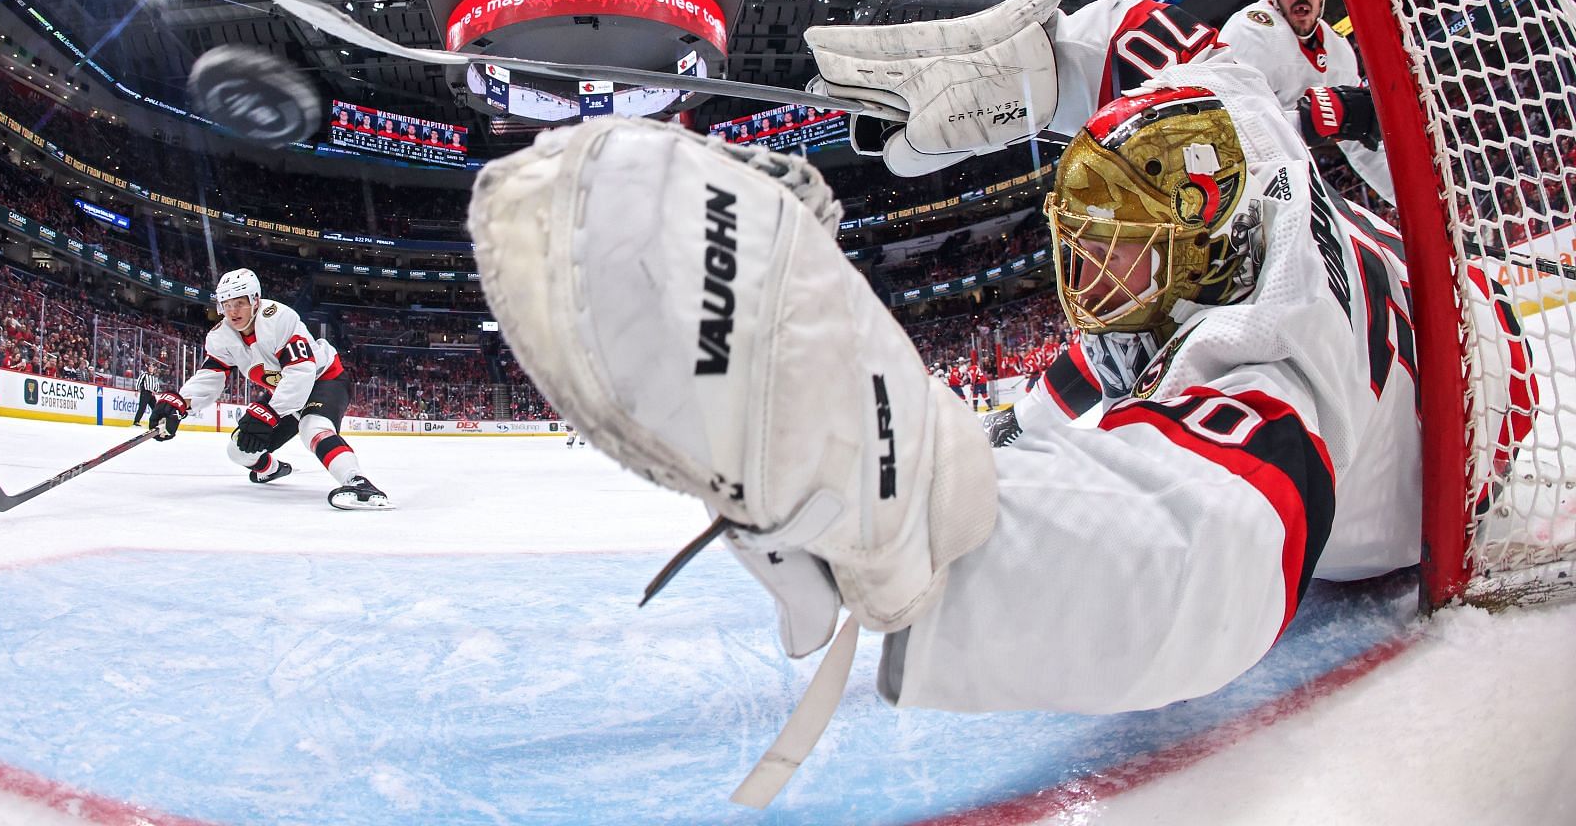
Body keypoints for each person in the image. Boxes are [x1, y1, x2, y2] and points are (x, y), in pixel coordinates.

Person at [467, 70, 1532, 804]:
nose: (1093, 285)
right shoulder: (1235, 176)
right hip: (1444, 307)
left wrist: (908, 508)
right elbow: (1156, 51)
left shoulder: (1277, 357)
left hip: (1494, 407)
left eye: (1128, 253)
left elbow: (1198, 560)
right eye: (1088, 250)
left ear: (1217, 242)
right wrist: (1048, 52)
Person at [146, 268, 390, 509]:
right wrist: (180, 402)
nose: (233, 311)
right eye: (227, 304)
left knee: (312, 426)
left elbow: (301, 372)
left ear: (255, 300)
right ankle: (272, 470)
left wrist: (271, 413)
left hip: (324, 379)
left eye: (239, 303)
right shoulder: (221, 336)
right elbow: (212, 375)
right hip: (283, 392)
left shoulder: (279, 319)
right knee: (239, 450)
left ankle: (359, 484)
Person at [1219, 0, 1395, 202]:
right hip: (1241, 186)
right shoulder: (1249, 33)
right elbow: (1226, 132)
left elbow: (1361, 142)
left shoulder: (1339, 51)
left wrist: (1409, 199)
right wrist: (1307, 121)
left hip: (1292, 176)